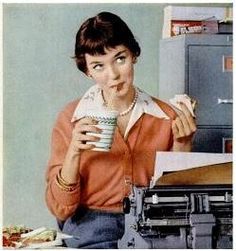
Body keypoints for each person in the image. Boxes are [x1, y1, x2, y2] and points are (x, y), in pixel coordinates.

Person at [45, 11, 196, 248]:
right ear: (87, 71)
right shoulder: (71, 118)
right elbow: (60, 209)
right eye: (98, 66)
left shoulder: (167, 116)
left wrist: (183, 143)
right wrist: (74, 151)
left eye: (119, 59)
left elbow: (177, 200)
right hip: (90, 229)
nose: (113, 75)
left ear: (133, 55)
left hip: (153, 227)